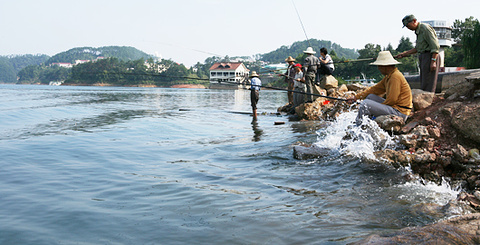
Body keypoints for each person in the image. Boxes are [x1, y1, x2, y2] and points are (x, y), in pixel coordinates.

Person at [347, 51, 413, 126]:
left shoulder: (395, 77)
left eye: (379, 66)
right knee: (370, 97)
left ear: (385, 66)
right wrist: (356, 97)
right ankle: (366, 123)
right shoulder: (389, 76)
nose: (378, 68)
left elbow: (392, 100)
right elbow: (375, 89)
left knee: (366, 104)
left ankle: (357, 127)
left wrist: (375, 107)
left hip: (400, 112)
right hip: (395, 108)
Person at [395, 14, 440, 92]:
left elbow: (435, 46)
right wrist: (404, 54)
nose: (408, 28)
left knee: (429, 81)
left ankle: (428, 98)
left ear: (414, 21)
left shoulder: (425, 28)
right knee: (424, 80)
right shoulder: (418, 31)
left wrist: (433, 61)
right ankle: (425, 96)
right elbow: (418, 48)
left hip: (430, 56)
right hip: (424, 56)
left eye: (408, 26)